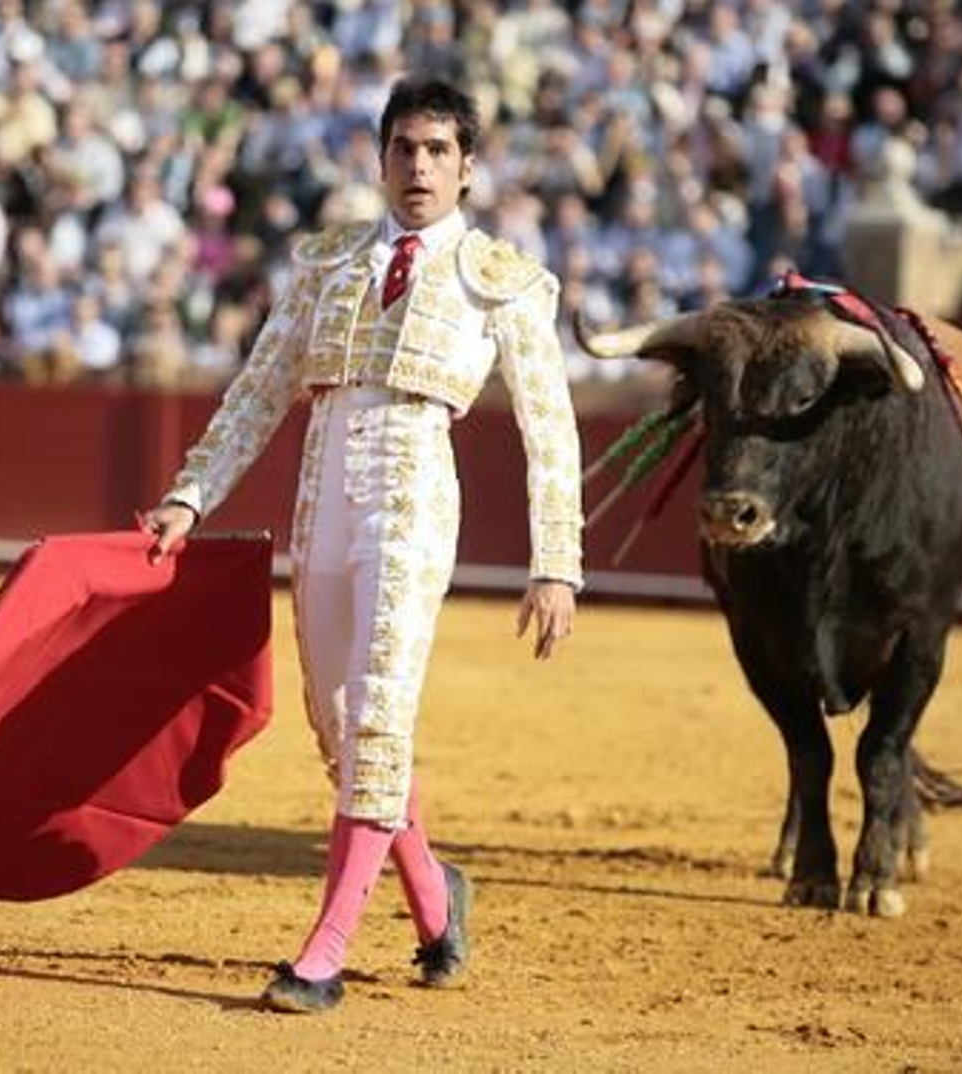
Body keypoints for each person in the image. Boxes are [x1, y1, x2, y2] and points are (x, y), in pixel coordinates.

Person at [142, 76, 583, 1014]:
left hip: (416, 493)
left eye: (437, 152)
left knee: (381, 714)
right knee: (341, 731)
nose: (418, 166)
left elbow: (549, 425)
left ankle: (324, 953)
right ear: (381, 158)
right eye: (403, 149)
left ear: (468, 169)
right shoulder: (330, 262)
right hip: (323, 496)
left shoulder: (499, 278)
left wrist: (557, 563)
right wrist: (189, 496)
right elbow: (260, 391)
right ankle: (434, 900)